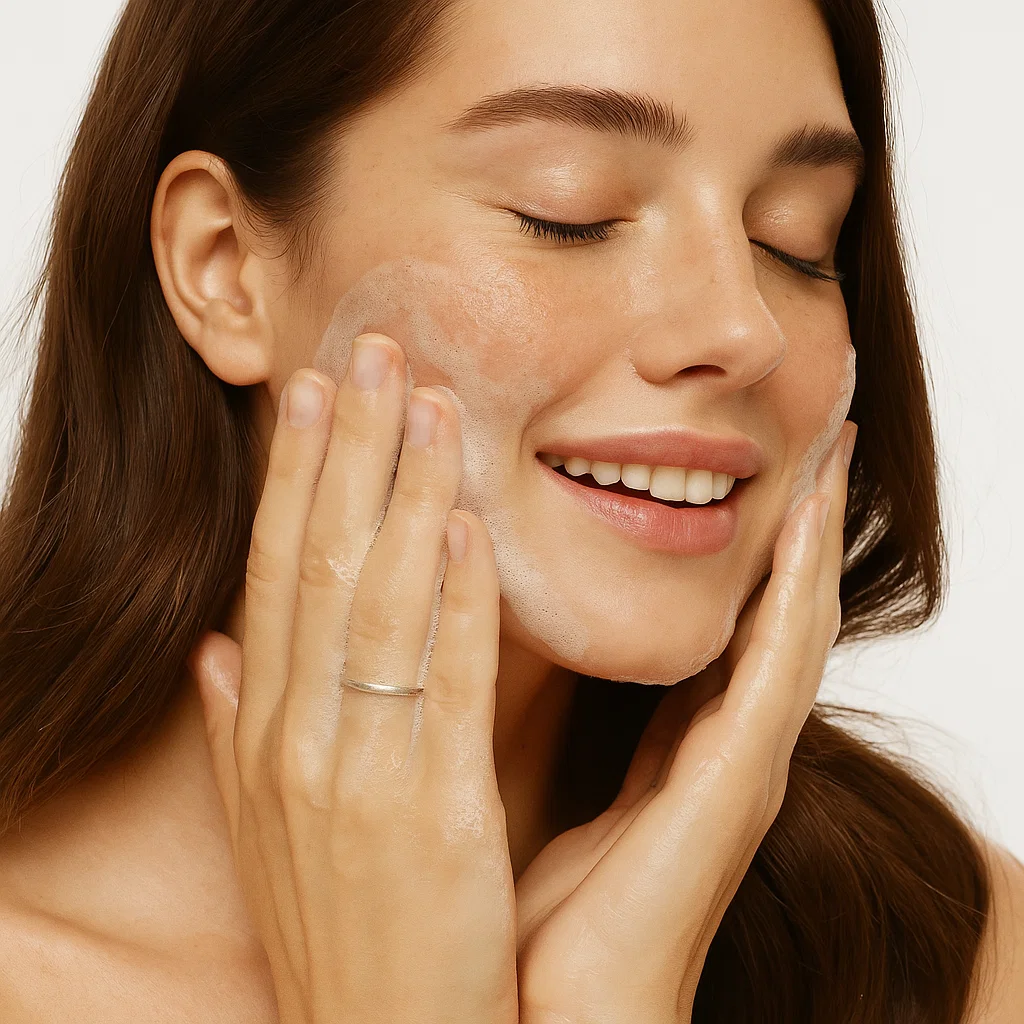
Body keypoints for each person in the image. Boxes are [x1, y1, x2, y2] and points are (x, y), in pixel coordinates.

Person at [0, 0, 1020, 1020]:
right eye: (568, 211)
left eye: (794, 238)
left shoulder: (958, 955)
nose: (743, 329)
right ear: (223, 267)